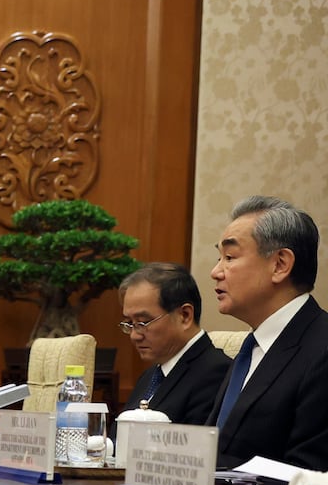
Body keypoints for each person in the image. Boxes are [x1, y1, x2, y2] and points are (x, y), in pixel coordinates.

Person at [206, 196, 328, 470]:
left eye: (229, 257)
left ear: (280, 264)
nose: (215, 272)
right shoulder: (251, 348)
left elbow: (310, 475)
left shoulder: (322, 349)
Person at [117, 263, 231, 424]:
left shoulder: (217, 372)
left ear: (184, 315)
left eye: (143, 322)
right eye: (129, 323)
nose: (134, 335)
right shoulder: (150, 376)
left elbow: (197, 444)